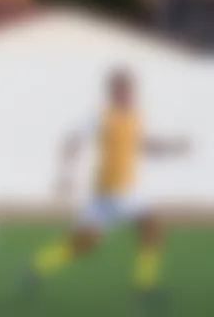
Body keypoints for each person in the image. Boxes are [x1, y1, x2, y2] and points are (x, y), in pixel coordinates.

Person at [24, 69, 185, 306]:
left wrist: (171, 147)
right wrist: (65, 175)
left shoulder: (134, 116)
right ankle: (145, 288)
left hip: (120, 189)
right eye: (122, 88)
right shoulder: (101, 116)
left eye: (129, 88)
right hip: (113, 189)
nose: (127, 92)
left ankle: (37, 268)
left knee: (86, 243)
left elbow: (141, 143)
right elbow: (73, 139)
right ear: (113, 91)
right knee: (151, 226)